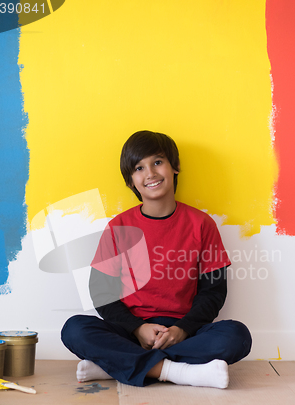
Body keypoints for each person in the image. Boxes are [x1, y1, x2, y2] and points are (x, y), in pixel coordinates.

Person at [61, 131, 252, 388]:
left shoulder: (202, 224)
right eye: (139, 167)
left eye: (158, 162)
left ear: (175, 167)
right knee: (74, 329)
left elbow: (213, 292)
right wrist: (138, 329)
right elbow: (102, 293)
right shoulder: (118, 227)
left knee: (237, 336)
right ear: (131, 180)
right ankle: (176, 371)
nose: (150, 173)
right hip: (131, 332)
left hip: (184, 333)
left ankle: (115, 365)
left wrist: (181, 330)